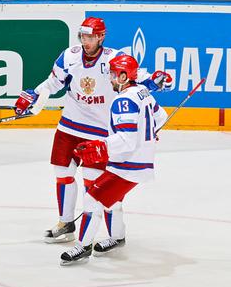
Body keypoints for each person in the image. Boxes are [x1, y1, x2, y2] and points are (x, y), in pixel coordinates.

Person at [14, 17, 172, 248]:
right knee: (62, 172)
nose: (85, 41)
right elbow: (53, 82)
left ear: (101, 37)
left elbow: (137, 76)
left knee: (93, 182)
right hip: (69, 124)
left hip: (99, 131)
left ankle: (113, 234)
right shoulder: (69, 55)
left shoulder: (113, 58)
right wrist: (34, 94)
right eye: (83, 37)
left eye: (90, 37)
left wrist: (158, 80)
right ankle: (66, 223)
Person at [59, 54, 168, 265]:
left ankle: (82, 247)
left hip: (128, 166)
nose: (109, 78)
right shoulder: (142, 92)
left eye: (112, 74)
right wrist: (149, 132)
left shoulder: (124, 100)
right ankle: (117, 237)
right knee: (112, 200)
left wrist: (101, 146)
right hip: (138, 163)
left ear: (124, 76)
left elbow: (126, 140)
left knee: (92, 199)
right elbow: (160, 116)